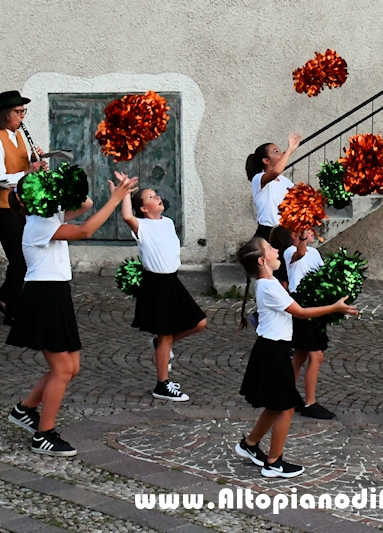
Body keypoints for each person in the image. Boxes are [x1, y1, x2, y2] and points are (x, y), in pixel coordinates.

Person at [6, 172, 138, 457]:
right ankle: (44, 435)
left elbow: (86, 203)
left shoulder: (50, 215)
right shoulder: (37, 224)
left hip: (56, 294)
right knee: (62, 369)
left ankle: (24, 409)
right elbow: (84, 231)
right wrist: (116, 199)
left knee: (71, 368)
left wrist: (61, 184)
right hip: (43, 297)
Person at [234, 237, 357, 477]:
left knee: (275, 404)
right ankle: (273, 462)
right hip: (273, 351)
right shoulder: (269, 287)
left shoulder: (268, 284)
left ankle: (249, 445)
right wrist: (334, 307)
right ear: (262, 260)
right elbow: (300, 313)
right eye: (271, 248)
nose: (277, 248)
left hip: (272, 349)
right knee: (286, 407)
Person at [120, 179, 207, 402]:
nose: (157, 197)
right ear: (143, 209)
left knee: (199, 322)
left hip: (172, 282)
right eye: (151, 197)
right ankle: (162, 384)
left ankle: (161, 346)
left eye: (156, 194)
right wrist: (125, 193)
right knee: (165, 335)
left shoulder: (167, 222)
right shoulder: (142, 226)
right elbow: (127, 217)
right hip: (156, 284)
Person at [0, 90, 47, 325]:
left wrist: (35, 161)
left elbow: (21, 166)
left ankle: (3, 298)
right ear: (5, 114)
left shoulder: (18, 136)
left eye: (23, 112)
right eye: (18, 112)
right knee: (18, 259)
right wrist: (28, 172)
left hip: (18, 204)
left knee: (24, 257)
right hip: (2, 208)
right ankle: (12, 309)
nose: (22, 117)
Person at [284, 229, 335, 419]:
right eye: (306, 230)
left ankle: (285, 394)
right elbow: (300, 253)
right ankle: (310, 402)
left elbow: (322, 275)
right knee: (316, 355)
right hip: (301, 303)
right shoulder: (290, 251)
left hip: (315, 303)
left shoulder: (315, 253)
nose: (312, 232)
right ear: (295, 234)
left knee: (301, 354)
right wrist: (302, 234)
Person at [246, 133, 300, 241]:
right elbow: (275, 171)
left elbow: (299, 192)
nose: (281, 155)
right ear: (266, 161)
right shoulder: (258, 178)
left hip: (284, 232)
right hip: (267, 232)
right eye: (276, 152)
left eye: (281, 151)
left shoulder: (283, 180)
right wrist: (289, 150)